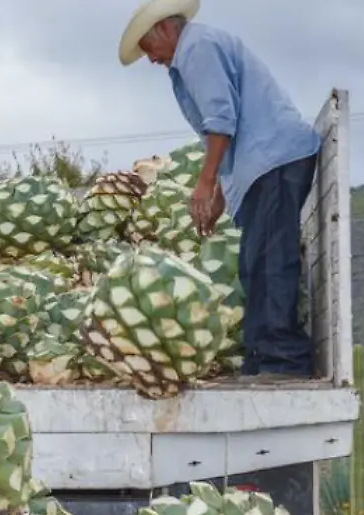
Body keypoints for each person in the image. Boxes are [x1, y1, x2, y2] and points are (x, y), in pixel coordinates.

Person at [119, 0, 319, 380]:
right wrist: (221, 194)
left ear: (163, 29)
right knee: (254, 263)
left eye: (147, 49)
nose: (150, 59)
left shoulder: (197, 48)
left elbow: (221, 119)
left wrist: (204, 183)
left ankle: (285, 361)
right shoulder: (194, 50)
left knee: (270, 260)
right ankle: (263, 356)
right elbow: (229, 126)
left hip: (274, 159)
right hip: (261, 165)